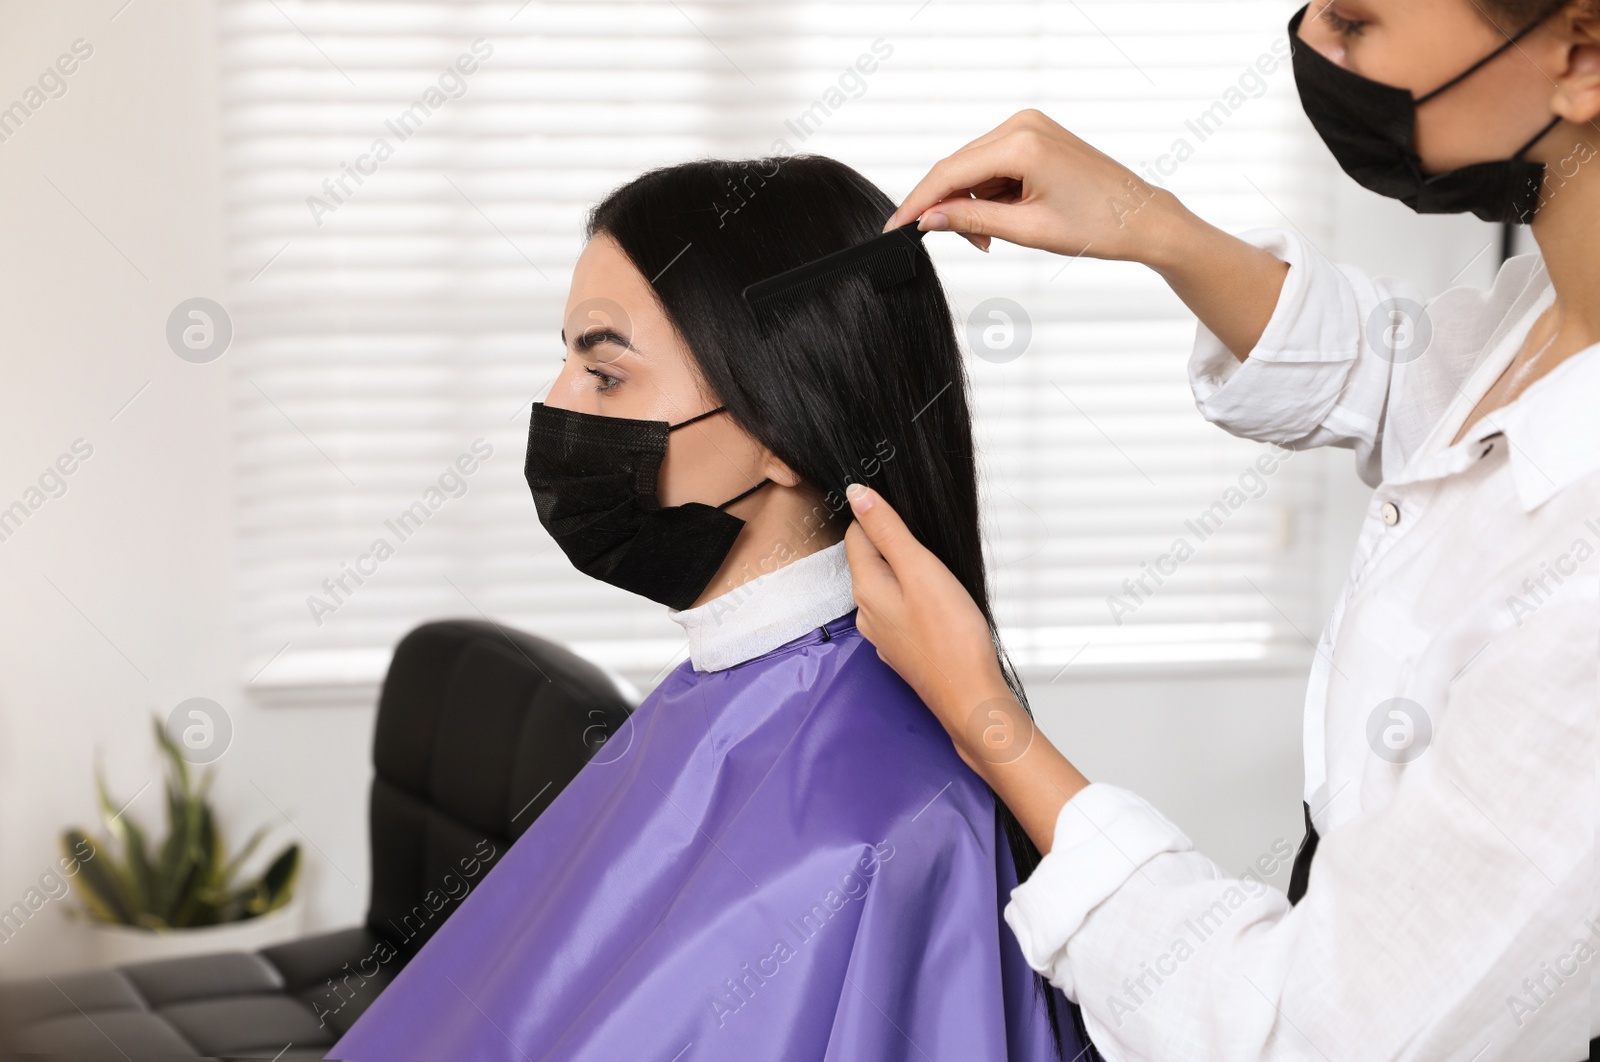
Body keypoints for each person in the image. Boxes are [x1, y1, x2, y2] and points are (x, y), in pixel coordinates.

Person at [841, 1, 1599, 1060]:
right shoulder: (1550, 314)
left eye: (1353, 18)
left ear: (1578, 54)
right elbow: (1400, 375)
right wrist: (1146, 222)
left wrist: (985, 721)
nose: (1315, 46)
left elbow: (1306, 1039)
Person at [328, 156, 1090, 1061]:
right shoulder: (733, 682)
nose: (555, 404)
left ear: (780, 424)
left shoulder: (868, 839)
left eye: (605, 374)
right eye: (564, 362)